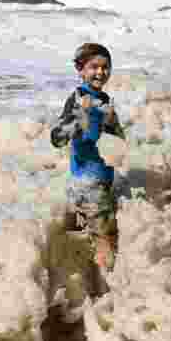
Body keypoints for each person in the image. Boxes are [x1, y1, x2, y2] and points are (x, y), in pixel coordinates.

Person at [51, 43, 124, 272]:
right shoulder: (78, 99)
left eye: (105, 67)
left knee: (101, 239)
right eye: (94, 67)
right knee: (105, 244)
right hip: (88, 184)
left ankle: (91, 285)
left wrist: (111, 123)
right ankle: (108, 291)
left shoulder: (103, 100)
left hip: (101, 182)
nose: (100, 72)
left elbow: (117, 142)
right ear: (80, 70)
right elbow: (57, 138)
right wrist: (78, 118)